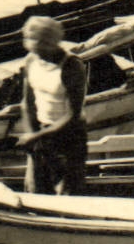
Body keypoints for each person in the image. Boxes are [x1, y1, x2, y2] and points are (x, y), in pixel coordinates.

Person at [15, 15, 87, 195]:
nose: (39, 54)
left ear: (52, 43)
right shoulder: (31, 60)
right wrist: (32, 134)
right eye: (35, 49)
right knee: (35, 191)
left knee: (67, 196)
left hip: (69, 137)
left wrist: (37, 137)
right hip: (41, 133)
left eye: (42, 49)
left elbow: (73, 115)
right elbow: (27, 103)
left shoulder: (72, 66)